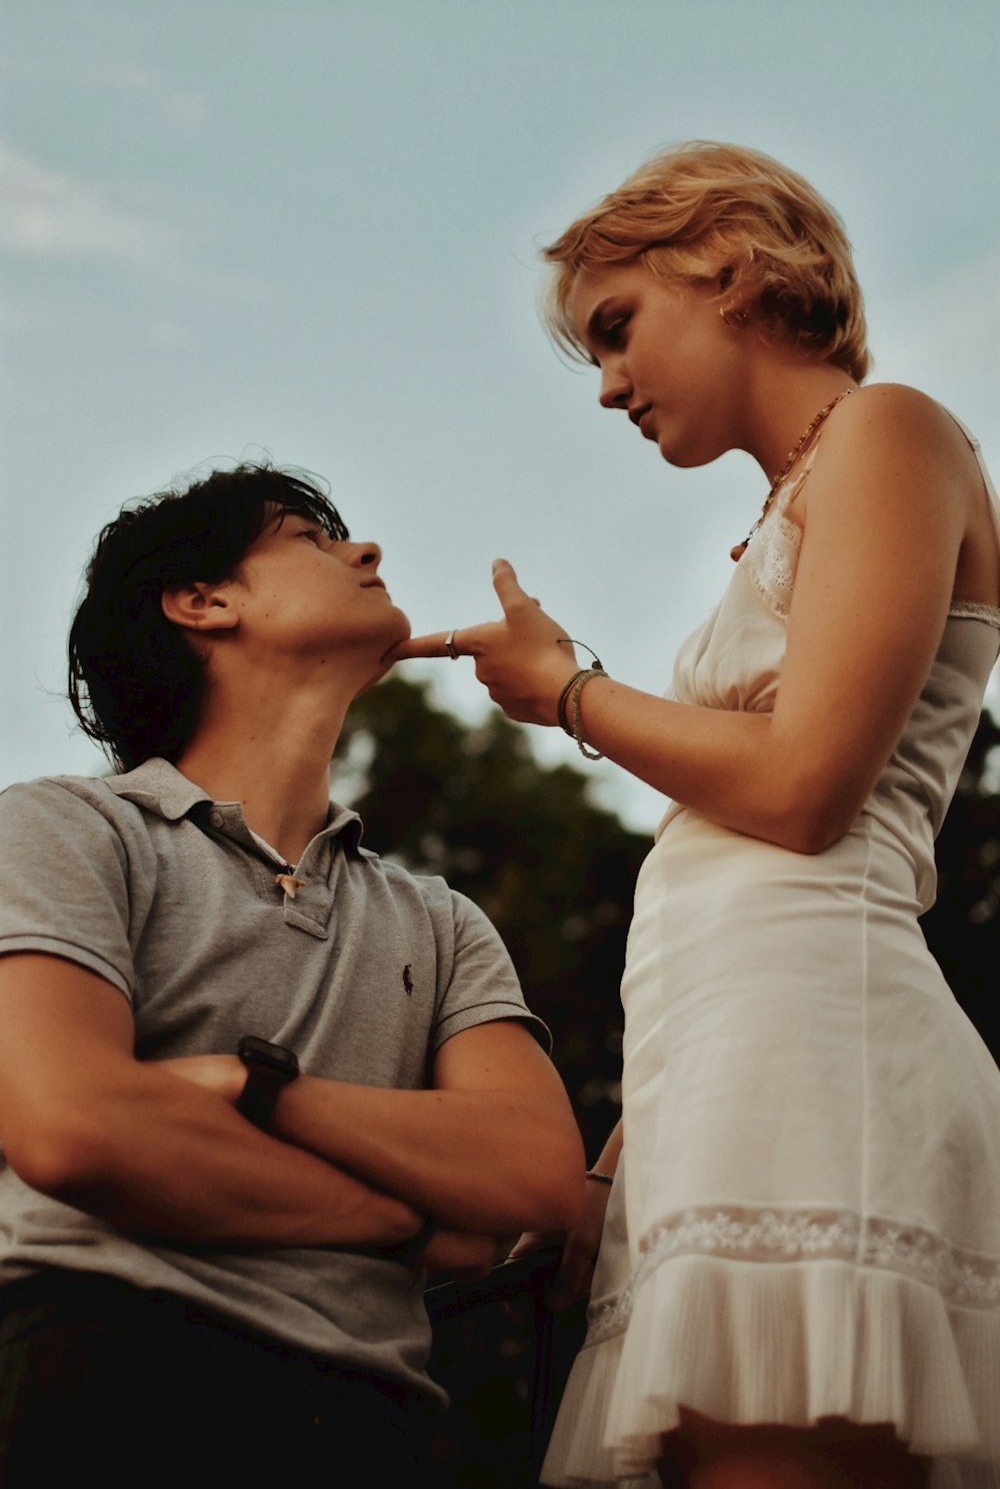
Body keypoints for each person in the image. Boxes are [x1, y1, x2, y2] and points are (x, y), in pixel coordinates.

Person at [394, 143, 1000, 1488]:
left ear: (732, 265)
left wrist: (566, 694)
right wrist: (627, 1151)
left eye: (615, 331)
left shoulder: (892, 431)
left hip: (817, 1057)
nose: (606, 385)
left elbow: (799, 791)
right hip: (732, 1068)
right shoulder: (802, 497)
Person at [0, 463, 585, 1488]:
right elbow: (71, 1127)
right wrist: (404, 1219)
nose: (366, 552)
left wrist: (253, 1088)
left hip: (373, 1423)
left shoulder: (440, 921)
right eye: (313, 538)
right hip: (100, 1370)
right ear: (203, 600)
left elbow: (535, 1177)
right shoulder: (61, 830)